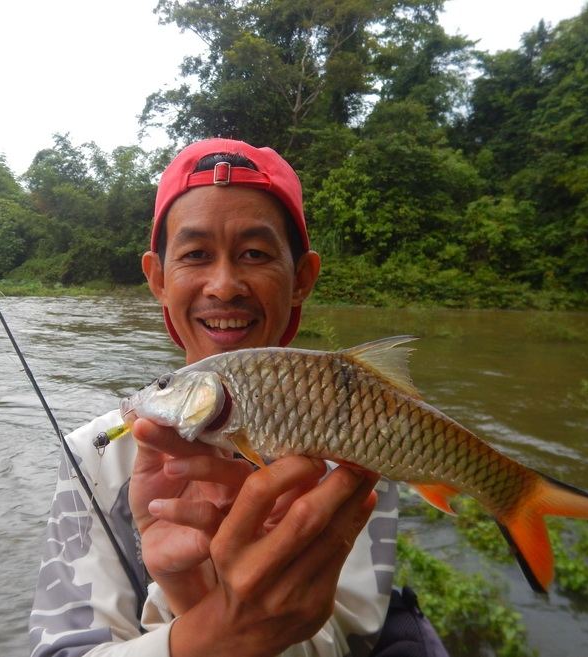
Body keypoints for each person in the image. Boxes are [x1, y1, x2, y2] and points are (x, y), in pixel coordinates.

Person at [29, 138, 444, 657]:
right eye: (196, 254)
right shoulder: (91, 454)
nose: (224, 286)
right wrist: (206, 617)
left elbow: (349, 638)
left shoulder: (355, 436)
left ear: (301, 278)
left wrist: (226, 615)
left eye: (255, 253)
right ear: (158, 279)